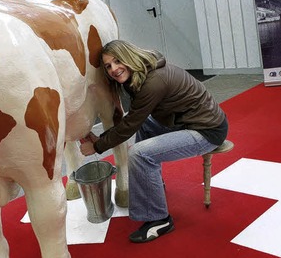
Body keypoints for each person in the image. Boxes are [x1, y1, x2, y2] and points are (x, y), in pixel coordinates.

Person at [79, 40, 228, 243]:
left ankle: (159, 220)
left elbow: (129, 125)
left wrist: (97, 146)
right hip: (185, 121)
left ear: (129, 57)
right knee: (146, 124)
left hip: (206, 130)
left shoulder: (154, 81)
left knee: (138, 153)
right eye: (108, 66)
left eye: (117, 61)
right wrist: (103, 138)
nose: (114, 69)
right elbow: (134, 121)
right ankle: (152, 183)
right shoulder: (143, 72)